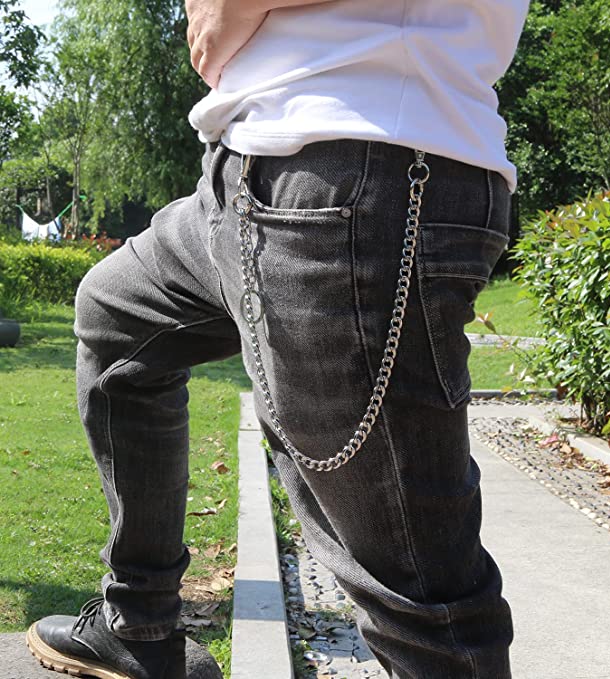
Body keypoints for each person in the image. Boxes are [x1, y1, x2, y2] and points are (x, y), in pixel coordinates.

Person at [26, 0, 530, 677]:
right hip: (249, 171)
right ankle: (138, 624)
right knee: (118, 317)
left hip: (353, 168)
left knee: (416, 589)